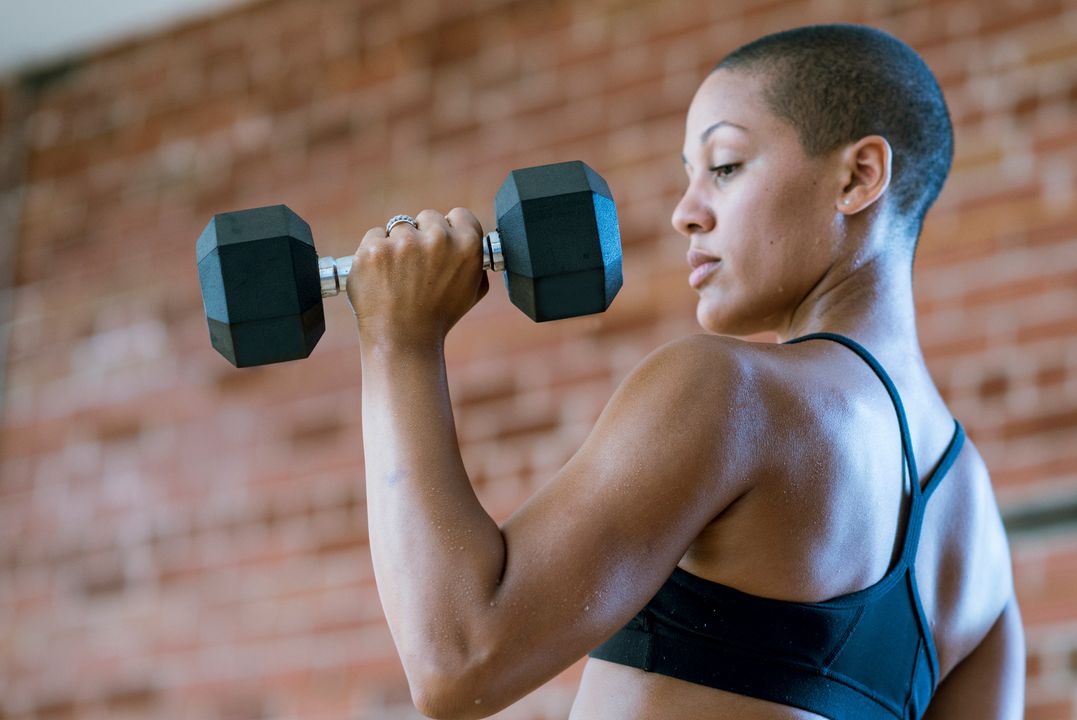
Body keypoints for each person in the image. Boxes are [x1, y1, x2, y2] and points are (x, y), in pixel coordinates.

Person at [346, 22, 1023, 720]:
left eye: (724, 166)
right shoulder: (978, 533)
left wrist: (399, 339)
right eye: (687, 177)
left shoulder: (729, 391)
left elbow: (456, 660)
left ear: (857, 177)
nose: (685, 214)